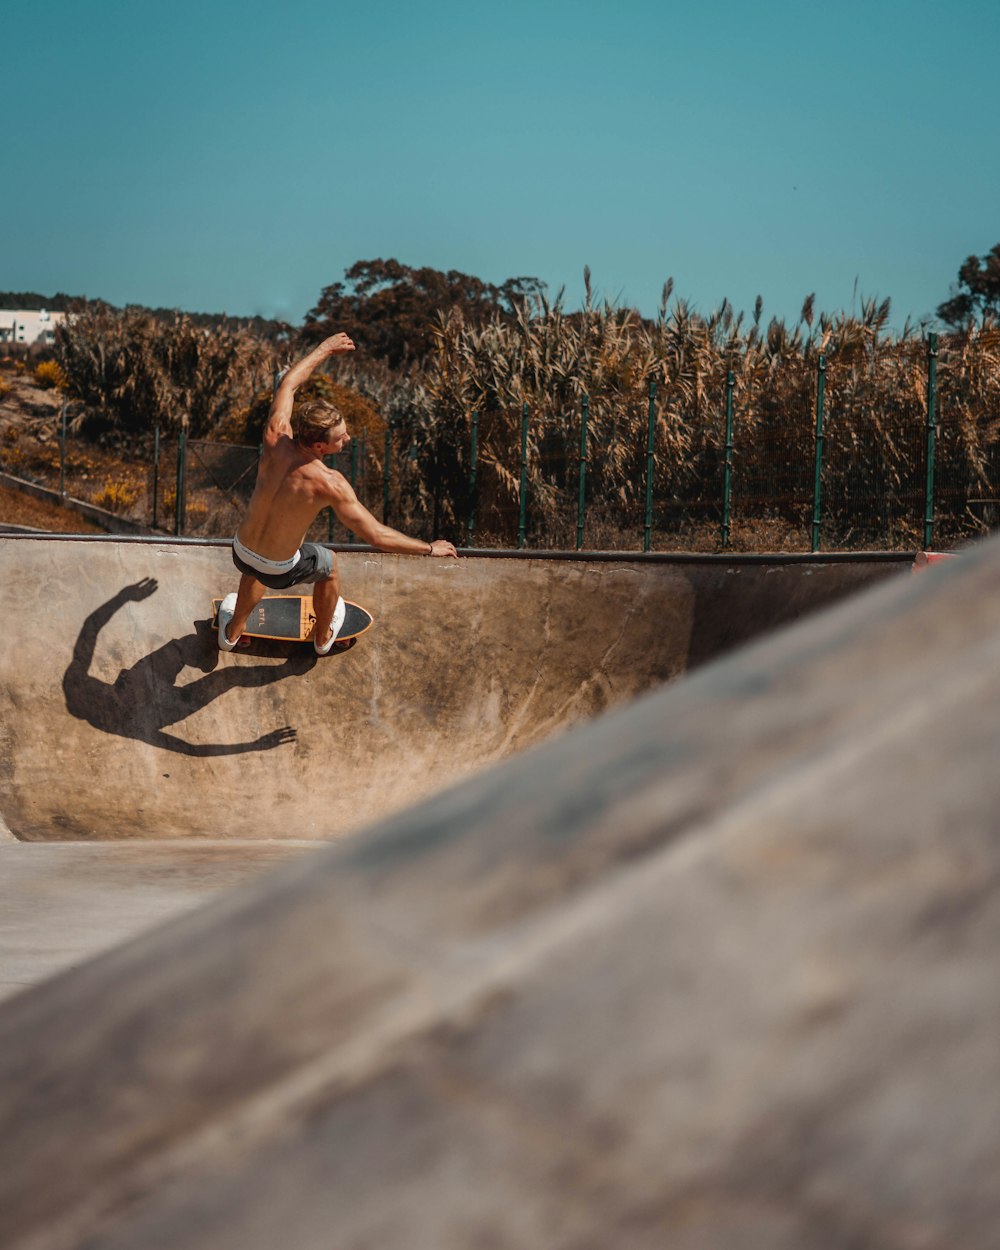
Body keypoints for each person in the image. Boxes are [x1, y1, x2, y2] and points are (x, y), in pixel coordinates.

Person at [218, 332, 458, 654]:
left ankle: (231, 633)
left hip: (240, 550)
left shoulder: (275, 436)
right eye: (341, 438)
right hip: (279, 569)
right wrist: (429, 548)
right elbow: (375, 535)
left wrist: (325, 349)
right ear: (319, 446)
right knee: (328, 565)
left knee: (254, 569)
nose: (347, 440)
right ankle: (322, 636)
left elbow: (289, 383)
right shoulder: (329, 482)